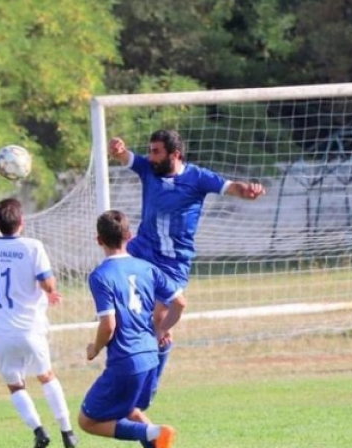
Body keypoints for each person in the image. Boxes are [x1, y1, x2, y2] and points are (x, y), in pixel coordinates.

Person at [107, 129, 264, 388]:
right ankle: (117, 337)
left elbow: (231, 187)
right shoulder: (148, 169)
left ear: (175, 154)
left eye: (156, 152)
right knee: (112, 267)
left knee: (160, 321)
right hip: (142, 249)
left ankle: (148, 387)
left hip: (173, 262)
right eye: (150, 151)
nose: (151, 157)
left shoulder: (198, 178)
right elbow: (125, 157)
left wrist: (248, 190)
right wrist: (118, 150)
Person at [78, 210, 187, 448]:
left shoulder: (100, 276)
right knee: (130, 411)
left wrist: (94, 349)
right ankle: (156, 436)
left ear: (99, 240)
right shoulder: (146, 268)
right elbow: (180, 303)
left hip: (126, 360)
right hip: (151, 356)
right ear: (129, 236)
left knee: (87, 421)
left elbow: (108, 325)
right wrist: (163, 329)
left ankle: (156, 432)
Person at [0, 198, 79, 448]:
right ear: (22, 221)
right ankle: (67, 432)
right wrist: (51, 291)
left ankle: (39, 431)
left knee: (15, 385)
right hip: (29, 328)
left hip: (0, 331)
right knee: (46, 376)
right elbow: (47, 282)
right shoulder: (33, 246)